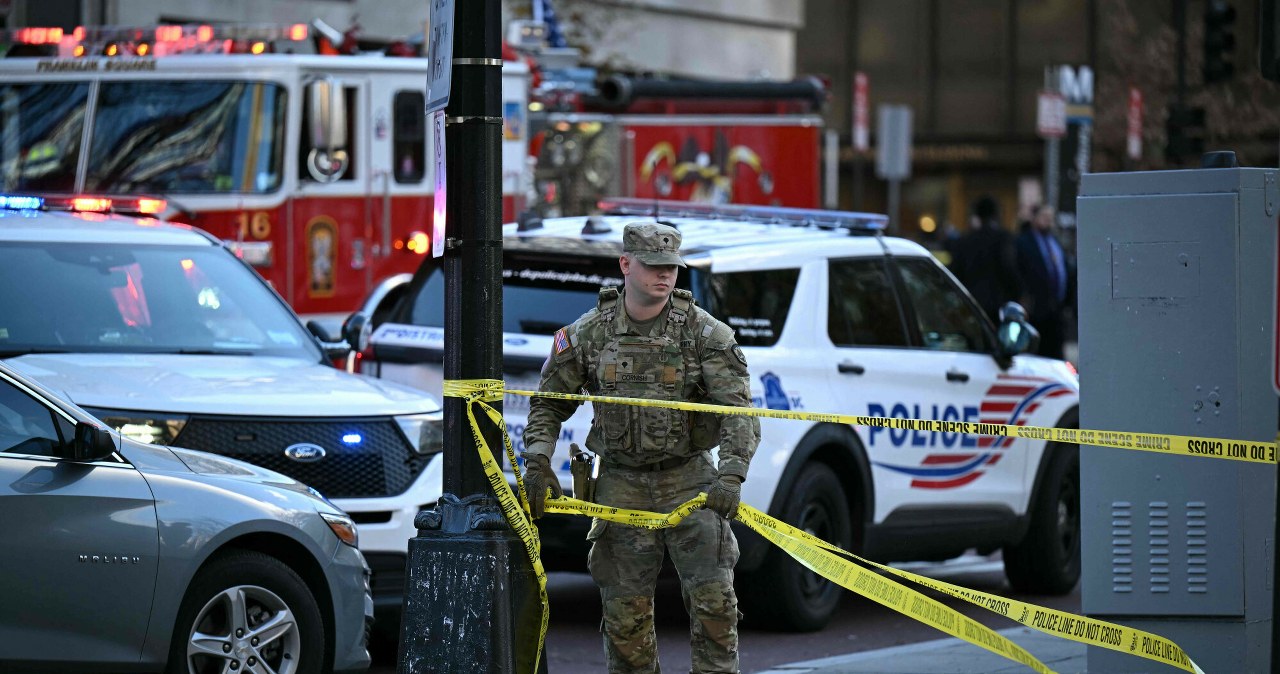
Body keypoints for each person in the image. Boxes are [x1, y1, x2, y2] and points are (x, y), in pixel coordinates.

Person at [522, 222, 760, 674]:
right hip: (620, 484)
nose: (665, 275)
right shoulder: (589, 334)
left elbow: (739, 412)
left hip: (690, 480)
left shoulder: (705, 334)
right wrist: (537, 462)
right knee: (625, 618)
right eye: (654, 266)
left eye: (671, 267)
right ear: (626, 265)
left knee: (715, 606)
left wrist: (731, 474)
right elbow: (548, 405)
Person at [949, 195, 1021, 325]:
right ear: (996, 214)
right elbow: (1008, 268)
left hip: (971, 304)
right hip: (998, 304)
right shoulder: (1003, 238)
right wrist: (1019, 293)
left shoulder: (965, 241)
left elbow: (956, 271)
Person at [1015, 204, 1073, 359]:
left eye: (1051, 218)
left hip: (1057, 309)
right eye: (1044, 217)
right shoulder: (1024, 242)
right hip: (1036, 310)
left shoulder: (1054, 241)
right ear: (1034, 218)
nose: (1048, 221)